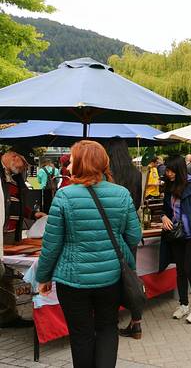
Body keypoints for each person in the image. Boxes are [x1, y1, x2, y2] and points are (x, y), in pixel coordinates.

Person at [36, 140, 141, 367]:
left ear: (81, 163)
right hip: (111, 276)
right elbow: (134, 236)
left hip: (73, 280)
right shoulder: (121, 194)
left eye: (72, 160)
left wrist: (43, 277)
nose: (68, 165)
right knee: (107, 328)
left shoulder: (64, 196)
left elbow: (51, 245)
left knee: (81, 334)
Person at [160, 155, 191, 324]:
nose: (168, 174)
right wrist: (164, 217)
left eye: (170, 170)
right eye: (167, 171)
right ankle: (183, 304)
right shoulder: (170, 185)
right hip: (176, 235)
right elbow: (166, 209)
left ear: (179, 169)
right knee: (180, 271)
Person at [104, 137, 144, 340]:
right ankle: (136, 323)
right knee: (130, 277)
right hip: (129, 228)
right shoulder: (136, 174)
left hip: (108, 230)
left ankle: (110, 320)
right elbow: (137, 203)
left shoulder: (106, 173)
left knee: (110, 276)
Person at [1, 145, 44, 328]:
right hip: (2, 231)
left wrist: (33, 214)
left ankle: (7, 314)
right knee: (2, 273)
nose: (24, 168)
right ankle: (7, 314)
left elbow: (16, 204)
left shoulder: (15, 177)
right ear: (13, 157)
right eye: (24, 163)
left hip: (11, 233)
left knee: (6, 274)